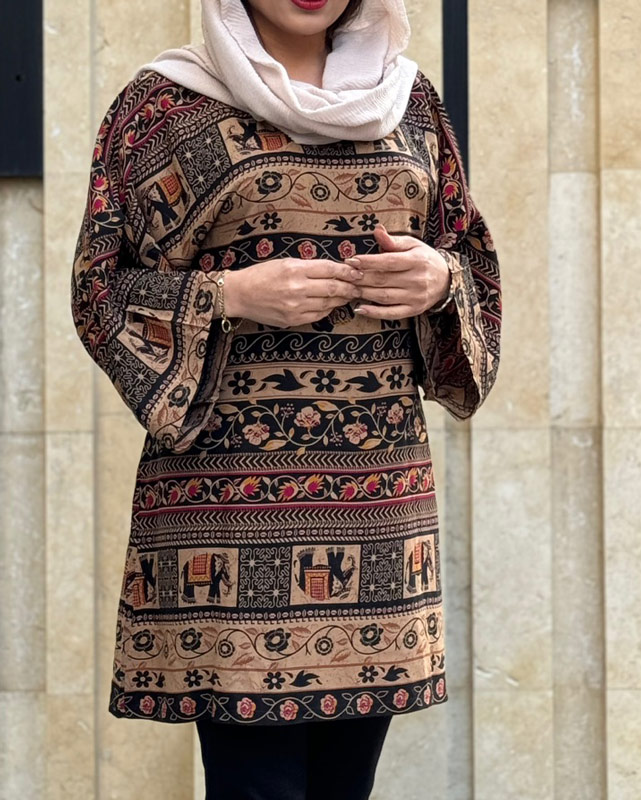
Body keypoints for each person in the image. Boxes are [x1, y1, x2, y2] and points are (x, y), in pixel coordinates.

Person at [70, 0, 502, 797]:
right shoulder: (164, 103)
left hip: (375, 502)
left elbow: (466, 255)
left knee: (345, 787)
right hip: (229, 512)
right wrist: (229, 295)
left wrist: (438, 279)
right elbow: (99, 291)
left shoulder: (408, 99)